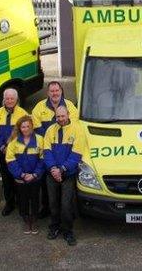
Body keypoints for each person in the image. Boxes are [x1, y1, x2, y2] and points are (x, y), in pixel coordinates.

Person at [32, 81, 79, 219]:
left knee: (68, 191)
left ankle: (69, 212)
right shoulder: (39, 107)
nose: (54, 93)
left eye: (57, 90)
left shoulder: (70, 106)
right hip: (46, 150)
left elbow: (73, 128)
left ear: (61, 91)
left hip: (66, 150)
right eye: (52, 91)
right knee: (46, 186)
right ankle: (46, 208)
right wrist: (50, 137)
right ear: (48, 93)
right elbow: (37, 128)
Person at [42, 105, 87, 246]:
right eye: (58, 116)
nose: (60, 119)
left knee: (66, 204)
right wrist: (53, 169)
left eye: (63, 116)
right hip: (52, 173)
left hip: (68, 174)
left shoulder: (77, 130)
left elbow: (76, 155)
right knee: (53, 203)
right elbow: (46, 152)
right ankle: (54, 227)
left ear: (68, 115)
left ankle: (68, 231)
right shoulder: (50, 130)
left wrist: (61, 169)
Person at [0, 87, 29, 216]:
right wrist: (2, 147)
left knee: (18, 177)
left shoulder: (23, 114)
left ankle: (21, 203)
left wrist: (12, 149)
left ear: (16, 99)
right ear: (4, 100)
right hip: (2, 153)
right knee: (6, 179)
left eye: (12, 98)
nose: (9, 100)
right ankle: (9, 203)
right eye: (7, 98)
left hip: (18, 154)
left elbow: (26, 134)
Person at [6, 114, 44, 234]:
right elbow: (10, 160)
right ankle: (26, 220)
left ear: (32, 127)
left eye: (28, 126)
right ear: (19, 128)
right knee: (23, 199)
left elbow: (43, 159)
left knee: (35, 198)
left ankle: (34, 219)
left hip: (35, 178)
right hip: (20, 179)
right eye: (23, 127)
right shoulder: (13, 142)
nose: (26, 129)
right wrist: (21, 175)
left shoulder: (39, 139)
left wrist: (34, 174)